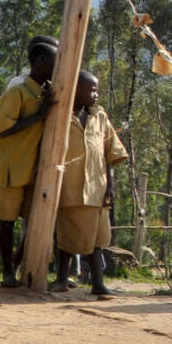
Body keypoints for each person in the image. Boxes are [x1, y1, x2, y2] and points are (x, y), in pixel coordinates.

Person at [51, 71, 127, 298]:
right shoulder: (61, 117)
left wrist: (110, 186)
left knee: (97, 240)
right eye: (91, 90)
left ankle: (98, 282)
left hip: (96, 189)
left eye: (97, 90)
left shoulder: (100, 116)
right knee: (66, 238)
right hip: (69, 188)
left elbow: (109, 153)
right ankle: (62, 279)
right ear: (75, 91)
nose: (96, 95)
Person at [0, 36, 59, 287]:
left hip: (35, 167)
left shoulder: (48, 91)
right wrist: (39, 115)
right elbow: (3, 129)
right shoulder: (17, 92)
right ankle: (7, 270)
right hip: (12, 166)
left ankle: (18, 262)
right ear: (41, 61)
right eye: (55, 60)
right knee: (7, 221)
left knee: (34, 219)